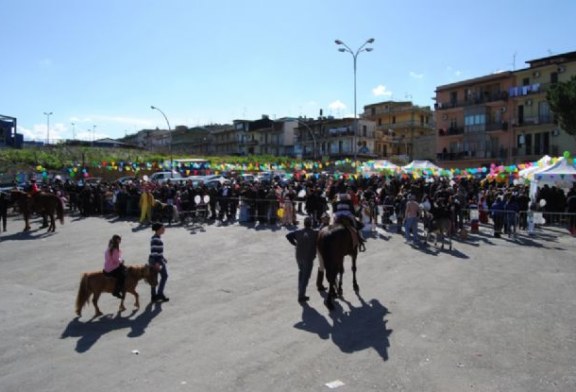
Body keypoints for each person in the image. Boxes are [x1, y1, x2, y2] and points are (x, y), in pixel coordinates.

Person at [286, 216, 318, 303]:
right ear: (311, 224)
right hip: (308, 257)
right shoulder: (314, 233)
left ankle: (300, 291)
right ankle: (301, 295)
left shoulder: (299, 232)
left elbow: (288, 236)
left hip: (299, 256)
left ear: (304, 223)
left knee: (301, 273)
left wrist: (295, 244)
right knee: (305, 276)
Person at [149, 222, 169, 302]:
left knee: (154, 278)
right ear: (158, 230)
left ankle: (154, 296)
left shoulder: (156, 237)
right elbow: (154, 251)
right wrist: (157, 262)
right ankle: (159, 294)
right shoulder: (156, 239)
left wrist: (163, 258)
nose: (164, 229)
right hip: (156, 261)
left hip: (157, 260)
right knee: (164, 276)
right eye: (163, 228)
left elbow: (158, 251)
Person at [103, 234, 126, 299]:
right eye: (119, 240)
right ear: (117, 240)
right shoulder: (115, 249)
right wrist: (121, 260)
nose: (120, 241)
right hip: (112, 268)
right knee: (123, 276)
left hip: (107, 267)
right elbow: (117, 260)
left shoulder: (109, 247)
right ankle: (116, 291)